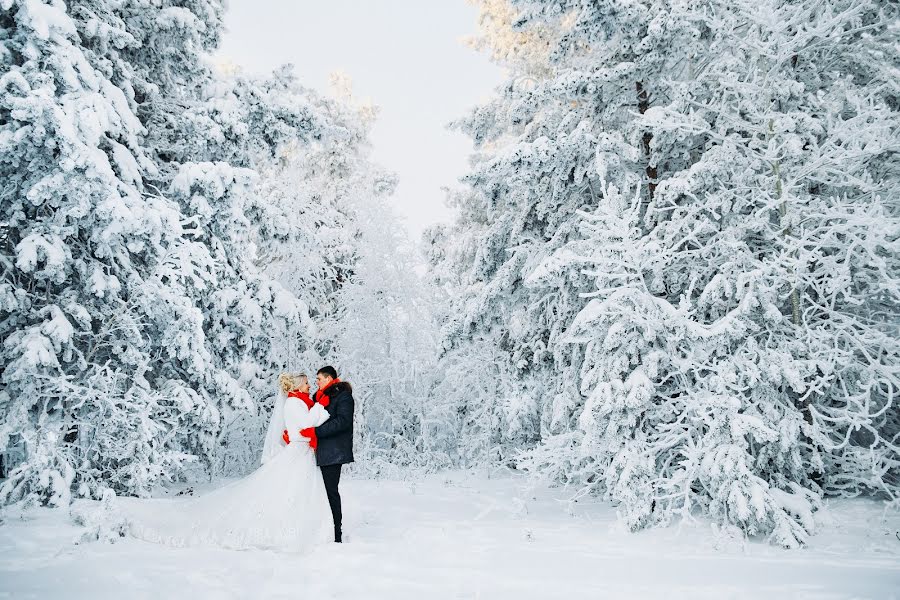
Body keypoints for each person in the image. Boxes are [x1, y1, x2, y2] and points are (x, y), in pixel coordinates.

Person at [118, 373, 333, 552]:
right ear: (298, 386)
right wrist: (321, 409)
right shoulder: (296, 403)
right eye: (306, 382)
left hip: (303, 452)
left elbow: (302, 427)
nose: (309, 385)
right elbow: (304, 426)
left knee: (296, 491)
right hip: (299, 451)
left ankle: (304, 528)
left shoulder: (300, 402)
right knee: (289, 490)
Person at [297, 366, 354, 543]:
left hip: (334, 451)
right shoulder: (321, 397)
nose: (316, 382)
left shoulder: (343, 396)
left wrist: (316, 432)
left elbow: (343, 422)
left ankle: (336, 533)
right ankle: (322, 529)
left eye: (319, 379)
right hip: (322, 450)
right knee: (320, 492)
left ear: (329, 379)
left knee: (330, 492)